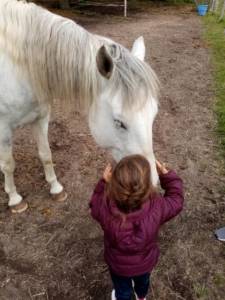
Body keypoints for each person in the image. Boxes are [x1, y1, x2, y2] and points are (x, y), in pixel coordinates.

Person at [89, 154, 184, 300]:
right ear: (147, 186)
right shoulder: (157, 207)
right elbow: (176, 200)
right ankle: (141, 296)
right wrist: (167, 176)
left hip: (118, 266)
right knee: (143, 283)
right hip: (145, 263)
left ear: (114, 183)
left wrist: (103, 182)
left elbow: (94, 203)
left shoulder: (104, 208)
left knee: (122, 289)